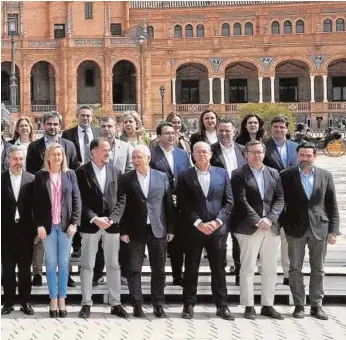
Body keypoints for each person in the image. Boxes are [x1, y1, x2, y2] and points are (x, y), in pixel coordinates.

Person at [280, 143, 340, 320]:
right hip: (294, 228)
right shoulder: (286, 175)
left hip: (319, 229)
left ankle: (316, 305)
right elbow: (279, 201)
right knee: (295, 268)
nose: (304, 159)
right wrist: (283, 223)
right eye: (302, 156)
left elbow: (332, 204)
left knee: (318, 269)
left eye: (308, 156)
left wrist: (333, 230)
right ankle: (299, 305)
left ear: (315, 156)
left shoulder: (325, 175)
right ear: (297, 156)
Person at [176, 141, 234, 320]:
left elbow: (229, 201)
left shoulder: (222, 173)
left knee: (218, 269)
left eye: (205, 152)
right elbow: (182, 204)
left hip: (217, 230)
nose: (201, 155)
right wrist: (198, 222)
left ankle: (222, 306)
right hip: (194, 230)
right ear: (192, 155)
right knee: (191, 268)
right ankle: (188, 305)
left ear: (210, 154)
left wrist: (217, 221)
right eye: (198, 152)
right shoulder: (185, 175)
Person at [231, 140, 285, 321]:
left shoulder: (273, 173)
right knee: (247, 267)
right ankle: (248, 305)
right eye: (253, 152)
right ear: (246, 154)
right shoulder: (238, 174)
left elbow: (279, 199)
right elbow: (240, 200)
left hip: (271, 227)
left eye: (260, 152)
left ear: (264, 153)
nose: (257, 155)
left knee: (270, 268)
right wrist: (258, 220)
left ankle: (268, 305)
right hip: (248, 228)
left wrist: (270, 218)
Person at [120, 145, 175, 318]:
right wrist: (123, 231)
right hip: (135, 230)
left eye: (139, 157)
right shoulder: (126, 179)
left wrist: (171, 228)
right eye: (133, 158)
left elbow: (168, 205)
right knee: (134, 269)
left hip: (157, 228)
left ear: (148, 158)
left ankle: (158, 304)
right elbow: (122, 206)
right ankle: (137, 304)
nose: (135, 161)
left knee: (158, 269)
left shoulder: (161, 177)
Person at [76, 137, 128, 319]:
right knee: (87, 265)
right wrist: (94, 218)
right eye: (104, 150)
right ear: (94, 151)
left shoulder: (116, 171)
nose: (108, 153)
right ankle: (86, 303)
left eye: (109, 150)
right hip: (91, 226)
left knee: (113, 265)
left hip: (112, 227)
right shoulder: (81, 172)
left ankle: (116, 303)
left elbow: (122, 198)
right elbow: (79, 200)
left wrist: (112, 219)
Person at [26, 111, 79, 288]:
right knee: (41, 241)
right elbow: (32, 173)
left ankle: (66, 276)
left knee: (64, 248)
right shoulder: (35, 146)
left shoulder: (69, 145)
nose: (52, 127)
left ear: (60, 126)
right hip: (43, 198)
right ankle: (38, 273)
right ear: (43, 125)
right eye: (49, 124)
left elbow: (74, 170)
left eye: (55, 124)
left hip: (63, 201)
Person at [34, 143, 81, 318]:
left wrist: (74, 222)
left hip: (65, 226)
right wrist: (38, 224)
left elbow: (77, 200)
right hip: (47, 227)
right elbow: (36, 204)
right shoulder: (40, 176)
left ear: (64, 157)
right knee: (51, 263)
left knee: (63, 263)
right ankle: (53, 298)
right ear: (48, 157)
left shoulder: (70, 174)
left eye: (60, 154)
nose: (57, 157)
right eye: (53, 154)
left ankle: (63, 298)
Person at [85, 116, 133, 286]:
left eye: (110, 126)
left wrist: (114, 216)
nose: (107, 129)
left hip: (117, 210)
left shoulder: (124, 150)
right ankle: (96, 277)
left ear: (116, 128)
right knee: (95, 252)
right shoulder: (87, 156)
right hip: (94, 212)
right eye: (103, 126)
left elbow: (128, 174)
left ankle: (122, 278)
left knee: (119, 248)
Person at [150, 122, 191, 286]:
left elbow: (187, 175)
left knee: (178, 241)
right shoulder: (152, 154)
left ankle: (177, 275)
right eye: (167, 133)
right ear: (159, 136)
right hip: (159, 202)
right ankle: (159, 276)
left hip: (179, 203)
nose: (171, 136)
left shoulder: (182, 154)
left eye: (173, 133)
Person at [210, 117, 246, 286]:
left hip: (240, 201)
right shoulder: (211, 151)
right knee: (220, 240)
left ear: (234, 132)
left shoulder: (243, 150)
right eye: (221, 131)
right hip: (220, 202)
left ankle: (240, 274)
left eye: (227, 131)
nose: (224, 134)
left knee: (239, 240)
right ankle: (220, 275)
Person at [263, 116, 298, 286]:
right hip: (270, 199)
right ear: (271, 129)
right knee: (270, 240)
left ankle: (287, 274)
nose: (278, 130)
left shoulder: (295, 147)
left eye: (282, 127)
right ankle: (267, 274)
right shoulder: (264, 148)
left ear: (287, 129)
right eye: (275, 127)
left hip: (291, 200)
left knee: (287, 240)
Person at [1, 146, 35, 315]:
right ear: (8, 159)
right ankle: (7, 303)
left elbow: (36, 207)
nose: (18, 162)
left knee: (24, 269)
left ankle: (26, 302)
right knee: (7, 269)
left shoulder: (31, 179)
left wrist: (36, 231)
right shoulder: (1, 179)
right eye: (15, 159)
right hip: (5, 232)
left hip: (25, 232)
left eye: (21, 159)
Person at [62, 105, 100, 258]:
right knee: (76, 208)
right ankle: (76, 246)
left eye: (88, 116)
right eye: (83, 115)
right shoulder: (67, 134)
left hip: (94, 176)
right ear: (77, 116)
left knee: (91, 207)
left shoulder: (97, 133)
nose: (86, 118)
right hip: (75, 176)